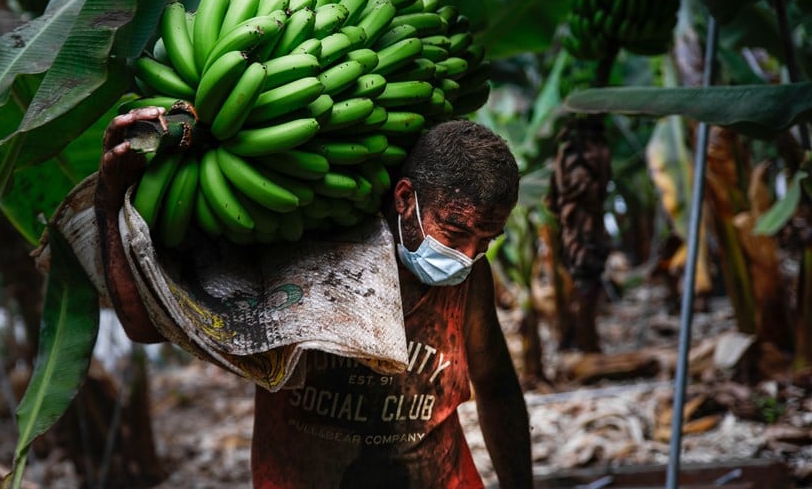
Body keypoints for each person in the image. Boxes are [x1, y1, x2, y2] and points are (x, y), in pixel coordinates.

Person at [95, 107, 534, 488]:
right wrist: (110, 199)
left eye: (486, 240)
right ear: (404, 198)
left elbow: (495, 382)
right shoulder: (305, 251)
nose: (467, 256)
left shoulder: (469, 277)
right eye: (455, 233)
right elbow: (143, 326)